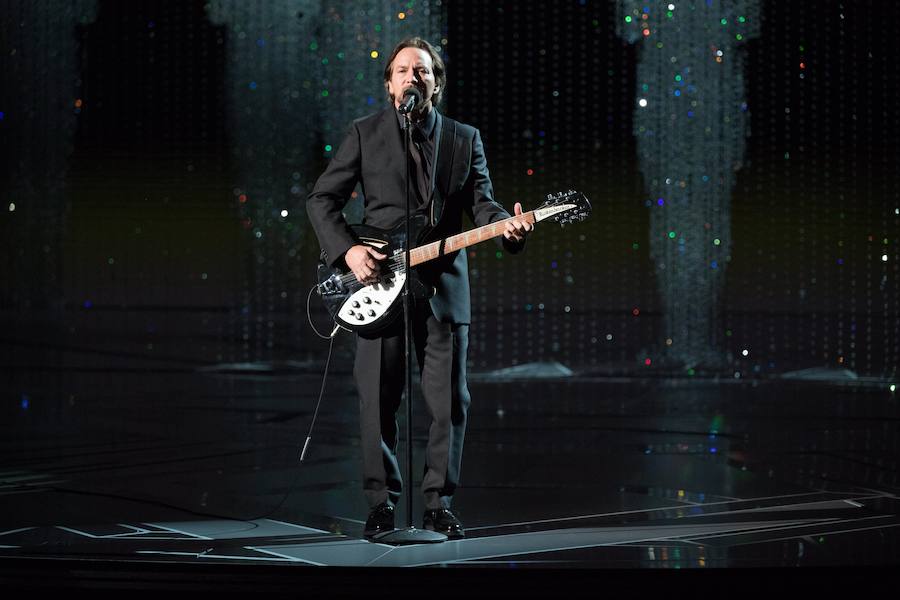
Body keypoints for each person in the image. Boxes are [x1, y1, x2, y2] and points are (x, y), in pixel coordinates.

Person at [306, 37, 532, 541]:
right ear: (390, 85)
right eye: (404, 70)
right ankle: (381, 503)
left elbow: (484, 204)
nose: (414, 77)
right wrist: (349, 251)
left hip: (442, 286)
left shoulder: (462, 137)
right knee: (377, 399)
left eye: (424, 71)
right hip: (377, 283)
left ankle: (437, 504)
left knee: (450, 401)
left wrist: (507, 227)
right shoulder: (363, 134)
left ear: (436, 84)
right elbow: (323, 200)